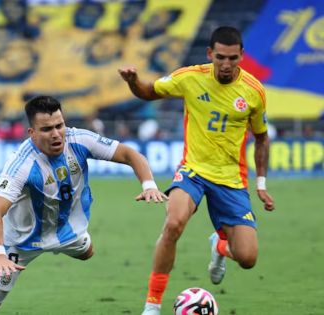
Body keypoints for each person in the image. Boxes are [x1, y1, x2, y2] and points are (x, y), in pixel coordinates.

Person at [0, 95, 167, 314]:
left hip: (67, 231)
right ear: (32, 132)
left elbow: (130, 154)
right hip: (20, 242)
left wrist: (149, 185)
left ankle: (74, 240)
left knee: (88, 252)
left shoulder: (79, 139)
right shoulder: (21, 164)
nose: (57, 134)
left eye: (59, 125)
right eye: (47, 129)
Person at [117, 26, 275, 315]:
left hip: (231, 179)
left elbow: (262, 138)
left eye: (232, 58)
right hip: (194, 170)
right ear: (209, 54)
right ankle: (152, 306)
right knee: (174, 222)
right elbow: (148, 92)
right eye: (220, 57)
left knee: (248, 257)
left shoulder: (254, 92)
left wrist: (261, 183)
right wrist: (133, 81)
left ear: (241, 56)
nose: (226, 64)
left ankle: (220, 248)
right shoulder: (190, 77)